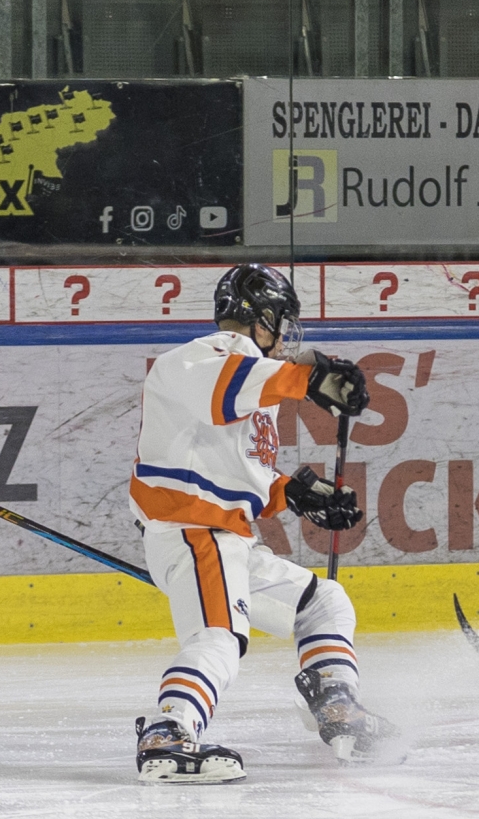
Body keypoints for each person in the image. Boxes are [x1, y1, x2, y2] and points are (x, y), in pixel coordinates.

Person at [127, 263, 399, 784]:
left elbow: (233, 471)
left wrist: (294, 492)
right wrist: (310, 375)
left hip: (226, 536)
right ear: (262, 317)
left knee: (323, 602)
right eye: (282, 322)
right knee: (219, 637)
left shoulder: (252, 382)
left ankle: (337, 709)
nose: (286, 336)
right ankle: (168, 733)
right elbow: (222, 391)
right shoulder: (203, 358)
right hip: (193, 532)